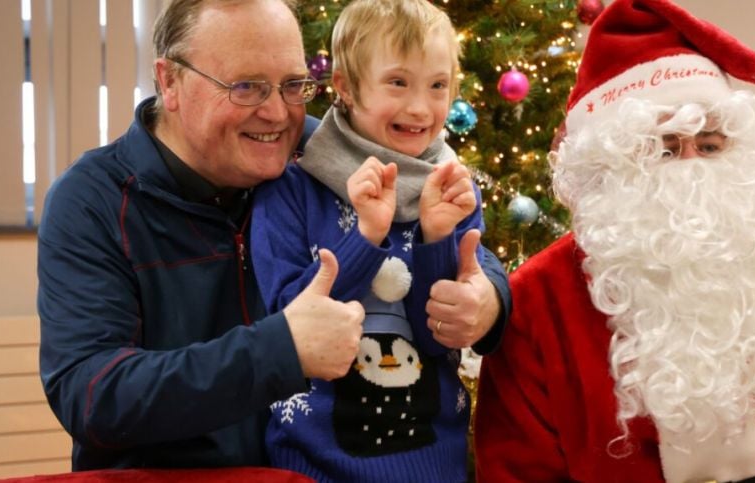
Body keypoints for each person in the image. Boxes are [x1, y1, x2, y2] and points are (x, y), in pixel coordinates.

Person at [37, 0, 509, 471]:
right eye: (246, 87)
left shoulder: (322, 156)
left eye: (292, 85)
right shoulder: (91, 201)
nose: (278, 114)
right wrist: (279, 350)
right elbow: (92, 395)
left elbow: (441, 224)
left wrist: (489, 294)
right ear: (170, 81)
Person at [474, 0, 755, 482]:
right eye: (665, 148)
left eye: (710, 146)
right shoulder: (537, 300)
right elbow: (515, 470)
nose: (691, 167)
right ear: (610, 166)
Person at [249, 1, 504, 481]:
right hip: (313, 466)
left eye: (438, 86)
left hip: (432, 463)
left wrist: (434, 237)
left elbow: (436, 338)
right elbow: (292, 325)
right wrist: (366, 235)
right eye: (398, 82)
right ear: (344, 87)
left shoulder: (452, 191)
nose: (420, 107)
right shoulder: (289, 189)